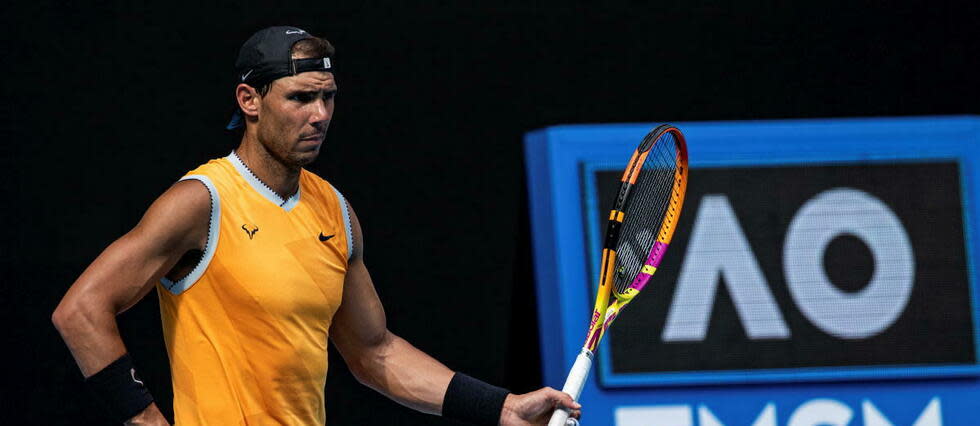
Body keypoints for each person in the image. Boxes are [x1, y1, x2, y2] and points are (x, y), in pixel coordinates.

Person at [52, 26, 581, 426]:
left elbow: (376, 353)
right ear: (249, 100)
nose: (320, 115)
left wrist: (501, 407)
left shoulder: (334, 210)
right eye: (301, 98)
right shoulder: (202, 201)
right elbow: (80, 312)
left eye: (327, 97)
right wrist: (145, 421)